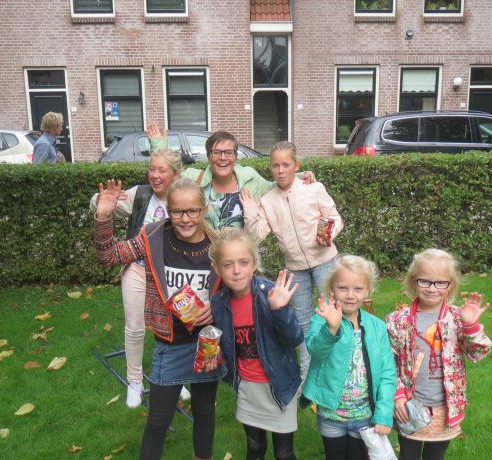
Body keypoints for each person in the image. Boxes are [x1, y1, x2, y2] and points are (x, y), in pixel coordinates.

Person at [94, 178, 226, 460]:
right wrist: (104, 217)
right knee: (157, 420)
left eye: (192, 211)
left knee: (205, 412)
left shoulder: (218, 245)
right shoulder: (153, 237)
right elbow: (109, 255)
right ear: (168, 211)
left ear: (204, 210)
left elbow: (238, 283)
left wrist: (216, 307)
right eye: (178, 211)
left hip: (207, 342)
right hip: (171, 343)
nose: (185, 218)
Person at [385, 249, 492, 460]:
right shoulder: (398, 320)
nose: (432, 288)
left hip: (444, 409)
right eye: (425, 281)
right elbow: (386, 363)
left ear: (450, 285)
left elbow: (479, 353)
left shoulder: (457, 319)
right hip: (409, 408)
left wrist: (471, 325)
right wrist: (397, 395)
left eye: (440, 283)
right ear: (413, 281)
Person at [209, 228, 309, 460]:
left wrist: (280, 310)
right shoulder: (220, 302)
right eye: (228, 264)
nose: (236, 270)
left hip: (278, 386)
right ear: (217, 268)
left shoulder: (269, 295)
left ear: (254, 263)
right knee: (254, 448)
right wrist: (218, 360)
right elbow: (226, 344)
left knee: (284, 453)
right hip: (248, 387)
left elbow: (295, 339)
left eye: (243, 262)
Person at [302, 255, 396, 460]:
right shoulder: (322, 321)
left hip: (364, 415)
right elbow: (315, 349)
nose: (350, 295)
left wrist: (384, 413)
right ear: (332, 290)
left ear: (368, 291)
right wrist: (331, 328)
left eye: (358, 288)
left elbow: (388, 373)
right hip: (332, 413)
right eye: (343, 288)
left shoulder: (377, 327)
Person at [89, 144, 190, 408]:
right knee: (135, 328)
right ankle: (134, 382)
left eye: (162, 170)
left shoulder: (185, 197)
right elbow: (103, 206)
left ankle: (173, 376)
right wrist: (101, 203)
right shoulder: (140, 194)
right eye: (151, 169)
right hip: (137, 267)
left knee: (173, 327)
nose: (154, 175)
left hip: (170, 274)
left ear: (176, 174)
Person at [242, 141, 343, 384]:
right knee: (304, 324)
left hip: (325, 261)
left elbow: (334, 217)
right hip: (295, 268)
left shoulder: (313, 188)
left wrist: (328, 233)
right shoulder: (268, 200)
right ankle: (307, 378)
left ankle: (338, 372)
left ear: (296, 166)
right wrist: (250, 211)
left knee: (332, 315)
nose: (280, 171)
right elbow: (255, 237)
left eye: (286, 165)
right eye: (275, 166)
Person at [147, 124, 314, 230]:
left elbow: (273, 186)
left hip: (238, 263)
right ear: (208, 156)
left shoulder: (250, 179)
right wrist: (158, 146)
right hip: (204, 261)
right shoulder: (193, 179)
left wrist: (301, 176)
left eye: (228, 152)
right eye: (216, 152)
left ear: (235, 156)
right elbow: (167, 173)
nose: (223, 158)